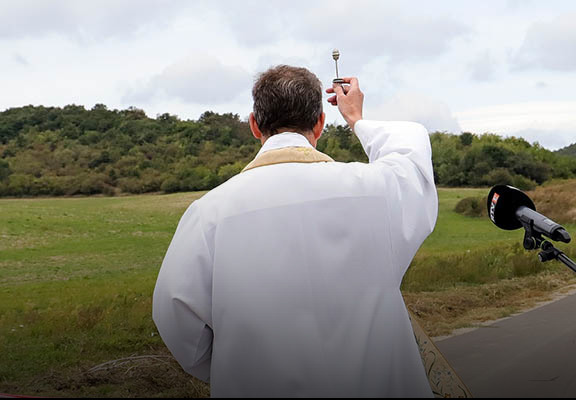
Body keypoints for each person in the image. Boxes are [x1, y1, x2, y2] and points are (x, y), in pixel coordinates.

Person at [152, 65, 438, 397]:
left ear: (254, 125)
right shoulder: (376, 191)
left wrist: (237, 365)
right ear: (319, 122)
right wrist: (356, 118)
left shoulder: (208, 214)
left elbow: (176, 318)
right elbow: (410, 150)